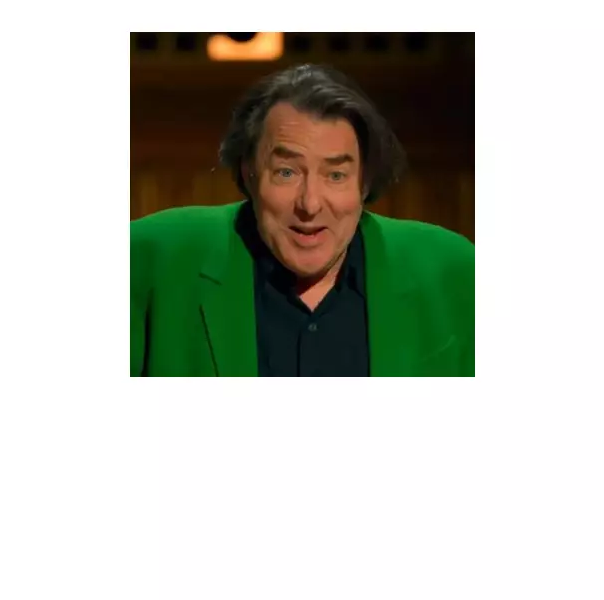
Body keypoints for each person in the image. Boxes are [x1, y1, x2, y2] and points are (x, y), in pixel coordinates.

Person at [131, 63, 474, 377]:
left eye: (336, 175)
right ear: (249, 172)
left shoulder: (453, 270)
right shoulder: (150, 258)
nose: (310, 204)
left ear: (365, 181)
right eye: (286, 172)